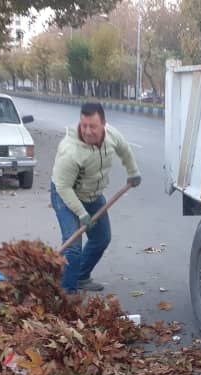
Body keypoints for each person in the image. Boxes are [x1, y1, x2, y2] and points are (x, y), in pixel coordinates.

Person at [51, 102, 141, 293]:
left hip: (93, 194)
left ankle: (81, 277)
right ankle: (68, 293)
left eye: (92, 126)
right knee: (73, 247)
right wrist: (82, 214)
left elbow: (125, 150)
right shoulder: (70, 150)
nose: (87, 131)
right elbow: (63, 187)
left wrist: (133, 172)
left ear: (103, 125)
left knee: (101, 238)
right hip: (66, 194)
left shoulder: (112, 136)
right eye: (84, 125)